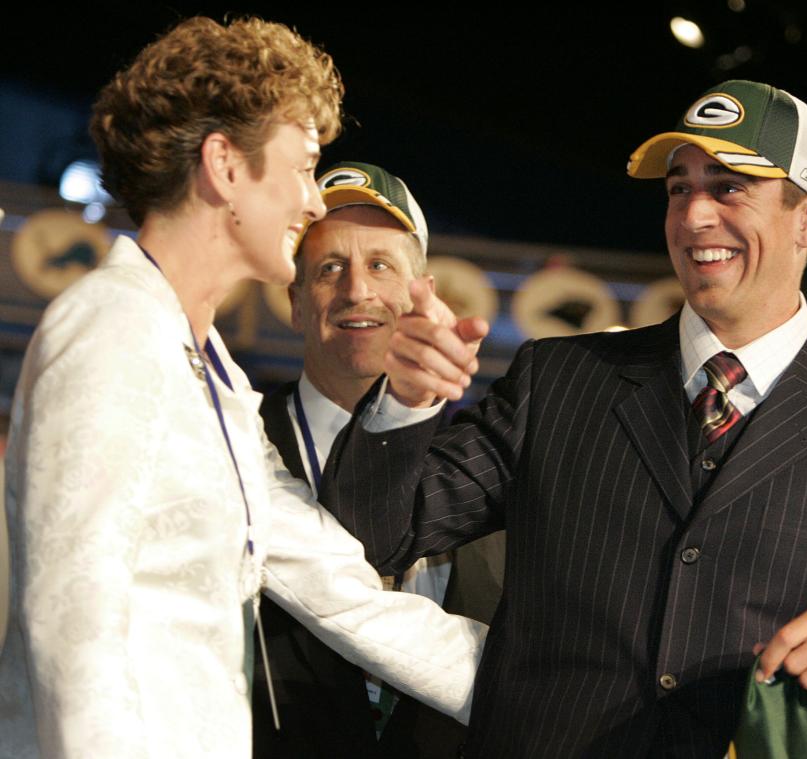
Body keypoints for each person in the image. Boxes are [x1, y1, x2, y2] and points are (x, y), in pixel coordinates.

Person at [323, 80, 807, 757]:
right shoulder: (554, 380)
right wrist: (405, 399)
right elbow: (375, 531)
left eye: (729, 187)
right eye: (679, 188)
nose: (694, 215)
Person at [0, 18, 484, 759]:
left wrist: (560, 684)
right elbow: (72, 625)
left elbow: (341, 591)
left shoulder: (215, 374)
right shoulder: (110, 327)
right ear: (225, 166)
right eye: (301, 166)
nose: (313, 202)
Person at [253, 162, 504, 758]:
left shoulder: (491, 455)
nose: (357, 290)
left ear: (424, 293)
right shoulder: (235, 440)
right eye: (330, 269)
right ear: (294, 302)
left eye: (381, 266)